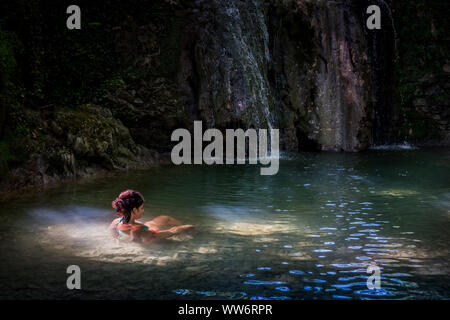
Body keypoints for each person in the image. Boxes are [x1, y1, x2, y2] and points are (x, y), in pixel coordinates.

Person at [109, 189, 193, 243]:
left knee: (164, 219)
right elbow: (136, 239)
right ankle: (186, 227)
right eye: (141, 208)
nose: (143, 210)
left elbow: (113, 231)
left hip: (147, 230)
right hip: (153, 234)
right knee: (183, 227)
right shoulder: (137, 228)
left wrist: (118, 240)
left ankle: (181, 224)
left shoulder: (117, 221)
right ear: (134, 210)